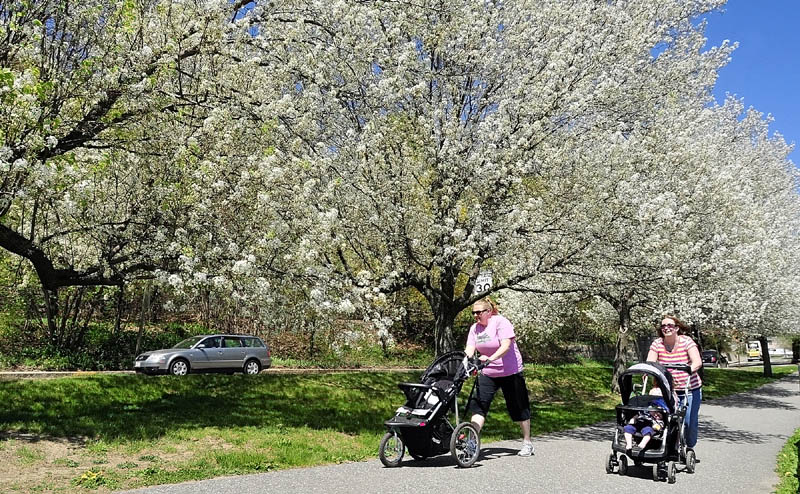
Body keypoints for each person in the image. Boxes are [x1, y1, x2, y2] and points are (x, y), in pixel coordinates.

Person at [464, 296, 533, 456]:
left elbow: (506, 346)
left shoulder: (501, 322)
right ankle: (472, 442)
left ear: (488, 312)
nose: (475, 316)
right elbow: (470, 348)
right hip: (488, 372)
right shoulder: (475, 328)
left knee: (518, 407)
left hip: (510, 371)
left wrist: (490, 358)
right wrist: (466, 361)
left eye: (479, 312)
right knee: (479, 406)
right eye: (473, 313)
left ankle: (527, 442)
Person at [646, 314, 703, 456]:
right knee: (666, 418)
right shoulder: (657, 344)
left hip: (689, 388)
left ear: (677, 328)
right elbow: (651, 361)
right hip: (667, 389)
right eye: (663, 326)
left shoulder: (686, 341)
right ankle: (667, 446)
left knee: (689, 422)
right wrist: (648, 370)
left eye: (670, 325)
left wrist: (690, 368)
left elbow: (697, 361)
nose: (666, 328)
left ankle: (689, 446)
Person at [623, 389, 668, 456]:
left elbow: (661, 424)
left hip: (649, 425)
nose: (655, 414)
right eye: (654, 412)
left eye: (657, 414)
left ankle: (642, 444)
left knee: (648, 431)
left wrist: (657, 426)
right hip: (638, 423)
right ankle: (629, 444)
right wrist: (633, 419)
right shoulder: (645, 409)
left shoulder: (660, 410)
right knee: (628, 428)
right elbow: (637, 415)